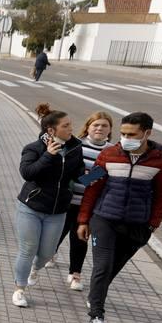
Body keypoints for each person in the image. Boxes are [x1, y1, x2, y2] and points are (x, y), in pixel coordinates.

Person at [76, 112, 162, 323]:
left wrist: (153, 224)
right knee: (102, 265)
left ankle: (94, 296)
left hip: (137, 225)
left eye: (132, 134)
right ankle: (97, 317)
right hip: (104, 219)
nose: (125, 138)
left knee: (111, 269)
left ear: (147, 133)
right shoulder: (109, 153)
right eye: (122, 133)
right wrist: (83, 219)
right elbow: (91, 187)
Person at [11, 103, 84, 308]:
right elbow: (28, 173)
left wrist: (93, 177)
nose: (71, 128)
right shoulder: (34, 148)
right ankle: (19, 289)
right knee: (28, 248)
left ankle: (36, 268)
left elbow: (76, 174)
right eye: (66, 125)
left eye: (70, 125)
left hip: (58, 210)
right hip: (30, 207)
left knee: (46, 253)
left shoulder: (75, 148)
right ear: (51, 130)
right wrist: (48, 156)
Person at [55, 111, 114, 291]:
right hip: (66, 201)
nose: (99, 128)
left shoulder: (113, 151)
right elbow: (66, 171)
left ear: (110, 130)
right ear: (88, 126)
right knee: (56, 234)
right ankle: (50, 254)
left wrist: (89, 177)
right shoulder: (76, 145)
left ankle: (75, 274)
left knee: (80, 239)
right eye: (96, 125)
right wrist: (88, 177)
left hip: (89, 206)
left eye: (104, 126)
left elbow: (109, 178)